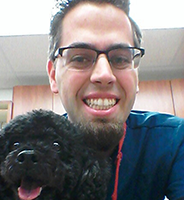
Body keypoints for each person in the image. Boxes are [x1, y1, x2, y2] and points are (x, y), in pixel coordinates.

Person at [46, 0, 184, 199]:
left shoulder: (175, 140)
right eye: (80, 58)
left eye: (120, 59)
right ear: (53, 76)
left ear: (136, 77)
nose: (104, 75)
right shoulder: (22, 152)